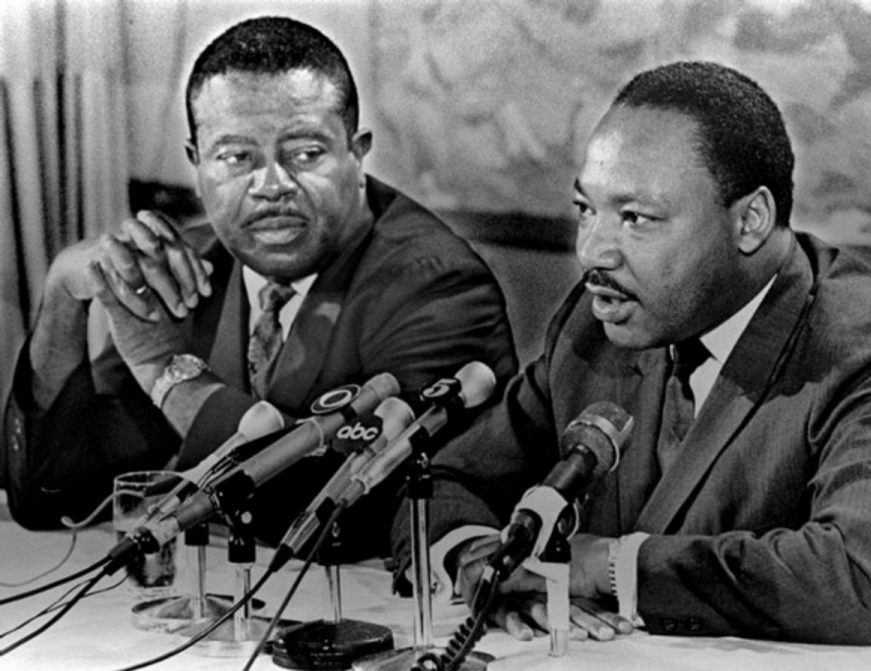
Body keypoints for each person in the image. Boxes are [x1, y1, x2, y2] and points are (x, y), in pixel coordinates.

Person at [391, 61, 871, 644]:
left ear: (751, 220)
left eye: (635, 218)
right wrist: (480, 562)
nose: (592, 253)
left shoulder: (863, 345)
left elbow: (862, 579)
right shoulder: (596, 321)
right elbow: (447, 481)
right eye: (587, 210)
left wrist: (610, 567)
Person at [1, 16, 517, 561]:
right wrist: (62, 290)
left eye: (305, 153)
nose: (271, 185)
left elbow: (350, 517)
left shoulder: (436, 285)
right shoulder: (193, 265)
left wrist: (166, 372)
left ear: (356, 152)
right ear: (196, 162)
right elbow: (51, 495)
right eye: (236, 157)